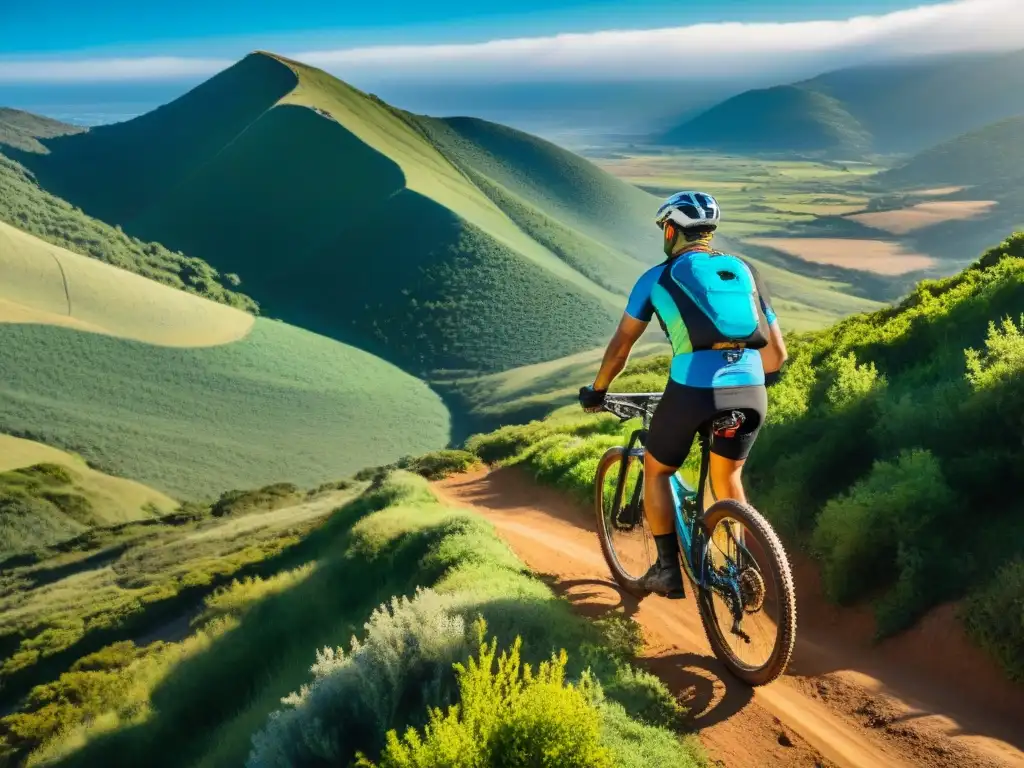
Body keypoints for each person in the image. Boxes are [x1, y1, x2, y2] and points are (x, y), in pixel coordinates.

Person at [579, 191, 787, 599]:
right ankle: (741, 569)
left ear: (672, 231)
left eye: (664, 229)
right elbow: (777, 355)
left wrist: (598, 390)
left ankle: (666, 570)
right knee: (728, 476)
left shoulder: (656, 278)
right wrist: (752, 381)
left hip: (695, 391)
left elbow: (621, 346)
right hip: (750, 392)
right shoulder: (746, 271)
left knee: (658, 469)